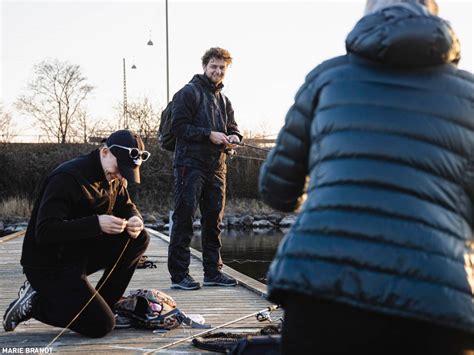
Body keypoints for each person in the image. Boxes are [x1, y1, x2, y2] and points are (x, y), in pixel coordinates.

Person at [259, 0, 474, 354]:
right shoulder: (468, 95)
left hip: (320, 287)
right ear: (434, 17)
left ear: (368, 16)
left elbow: (277, 190)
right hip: (436, 301)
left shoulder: (327, 78)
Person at [3, 130, 151, 338]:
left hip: (78, 254)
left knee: (139, 237)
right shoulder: (67, 178)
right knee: (100, 325)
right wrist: (96, 224)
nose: (120, 176)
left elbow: (126, 205)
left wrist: (135, 218)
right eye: (120, 169)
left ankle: (106, 304)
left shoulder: (114, 174)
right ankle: (34, 303)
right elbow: (44, 231)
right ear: (105, 151)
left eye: (126, 173)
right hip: (48, 265)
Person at [168, 47, 242, 290]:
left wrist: (234, 138)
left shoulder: (225, 100)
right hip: (189, 166)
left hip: (217, 168)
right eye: (214, 66)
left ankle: (213, 272)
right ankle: (179, 276)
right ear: (205, 66)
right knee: (184, 219)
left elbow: (234, 128)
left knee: (214, 222)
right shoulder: (187, 93)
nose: (218, 71)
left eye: (222, 68)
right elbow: (178, 128)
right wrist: (208, 134)